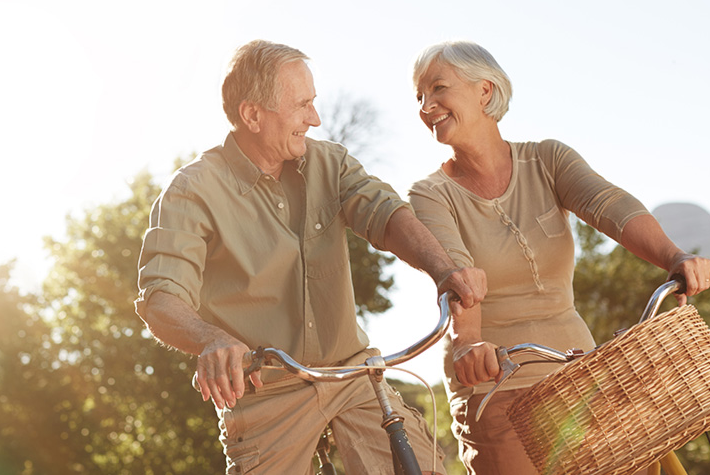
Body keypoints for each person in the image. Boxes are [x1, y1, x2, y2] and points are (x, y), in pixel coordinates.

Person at [134, 39, 487, 475]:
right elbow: (161, 296)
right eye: (302, 105)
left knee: (420, 467)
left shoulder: (329, 163)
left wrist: (444, 270)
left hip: (352, 375)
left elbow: (385, 213)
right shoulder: (192, 191)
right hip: (268, 398)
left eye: (313, 103)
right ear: (252, 115)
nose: (315, 118)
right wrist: (210, 338)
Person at [407, 40, 710, 474]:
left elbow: (610, 205)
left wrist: (674, 256)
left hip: (578, 372)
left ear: (485, 90)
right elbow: (457, 273)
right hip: (494, 381)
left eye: (438, 88)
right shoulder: (429, 195)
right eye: (418, 96)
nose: (426, 105)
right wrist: (469, 343)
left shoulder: (547, 159)